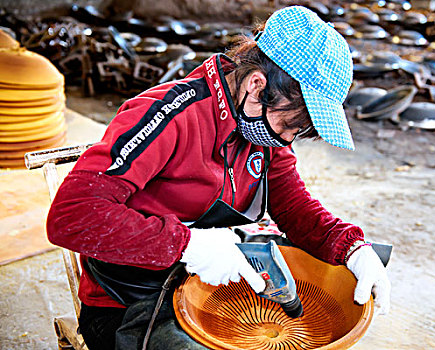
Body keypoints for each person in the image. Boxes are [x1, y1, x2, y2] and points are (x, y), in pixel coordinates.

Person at [47, 6, 390, 350]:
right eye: (290, 124)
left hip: (206, 281)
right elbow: (72, 216)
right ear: (257, 86)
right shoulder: (170, 115)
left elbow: (295, 206)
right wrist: (185, 245)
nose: (287, 139)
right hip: (129, 300)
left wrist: (352, 248)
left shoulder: (262, 132)